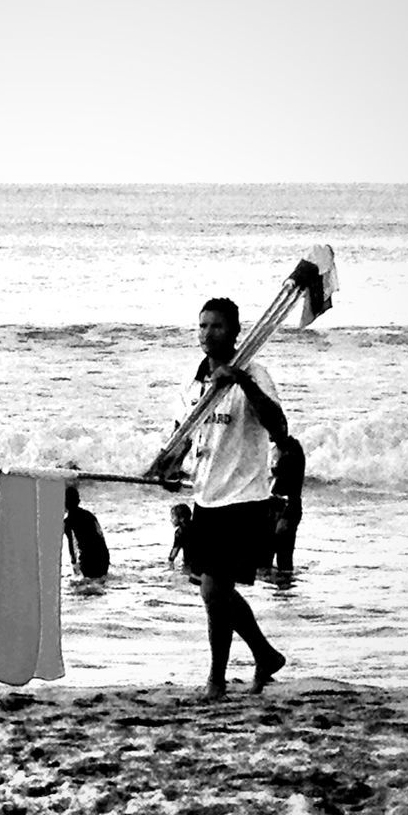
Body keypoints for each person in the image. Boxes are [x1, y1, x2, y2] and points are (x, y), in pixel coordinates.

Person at [145, 297, 288, 701]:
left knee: (213, 592)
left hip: (244, 499)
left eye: (218, 326)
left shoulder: (255, 374)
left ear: (236, 331)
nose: (209, 333)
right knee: (215, 591)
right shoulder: (193, 387)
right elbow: (181, 442)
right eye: (203, 326)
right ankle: (265, 654)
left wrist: (239, 380)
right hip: (206, 498)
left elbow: (279, 428)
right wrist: (168, 469)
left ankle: (216, 680)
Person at [269, 434, 305, 571]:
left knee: (283, 556)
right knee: (273, 557)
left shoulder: (291, 449)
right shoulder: (277, 449)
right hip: (276, 504)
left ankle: (285, 585)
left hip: (288, 505)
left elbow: (291, 482)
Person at [63, 485, 110, 579]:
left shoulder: (68, 522)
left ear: (64, 503)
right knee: (99, 581)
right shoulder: (89, 515)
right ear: (78, 501)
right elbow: (100, 535)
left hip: (88, 558)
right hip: (103, 556)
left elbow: (71, 545)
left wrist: (74, 564)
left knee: (86, 584)